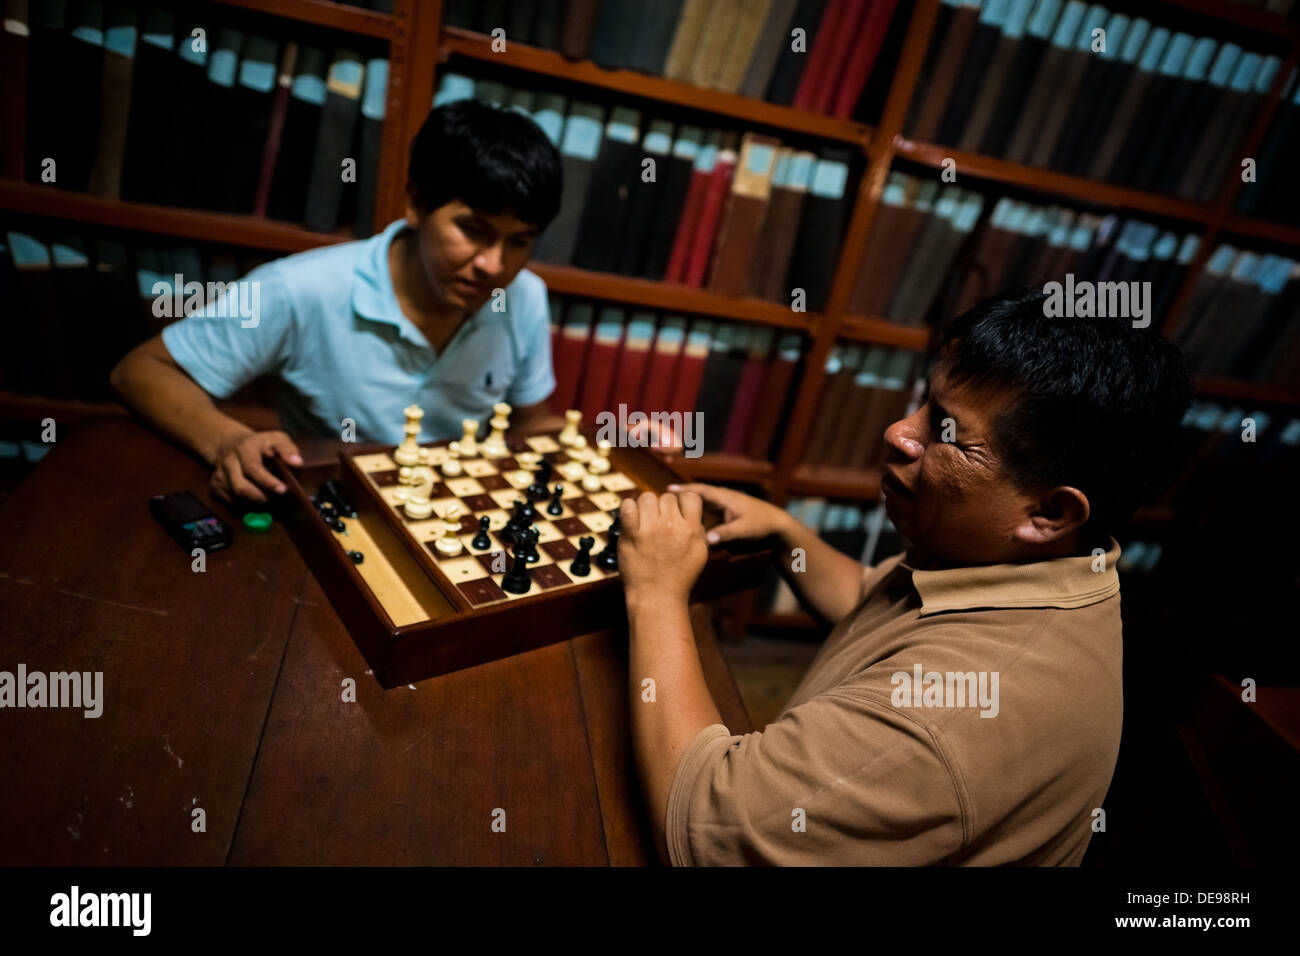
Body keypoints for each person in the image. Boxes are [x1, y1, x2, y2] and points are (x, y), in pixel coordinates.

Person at [618, 288, 1193, 865]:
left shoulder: (947, 720)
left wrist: (656, 591)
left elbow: (697, 825)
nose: (898, 431)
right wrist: (784, 532)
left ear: (1050, 513)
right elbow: (873, 605)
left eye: (945, 430)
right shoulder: (1029, 565)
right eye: (925, 402)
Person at [111, 100, 565, 503]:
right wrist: (228, 441)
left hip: (457, 516)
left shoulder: (522, 297)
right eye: (474, 231)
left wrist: (616, 448)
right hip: (335, 507)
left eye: (520, 242)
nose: (495, 265)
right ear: (416, 203)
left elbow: (530, 421)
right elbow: (140, 371)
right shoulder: (299, 288)